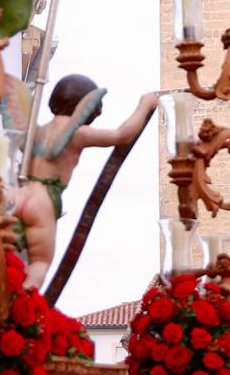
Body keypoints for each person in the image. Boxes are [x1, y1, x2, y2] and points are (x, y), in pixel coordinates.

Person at [11, 76, 157, 287]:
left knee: (10, 253)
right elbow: (122, 135)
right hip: (43, 200)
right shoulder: (76, 133)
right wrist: (145, 104)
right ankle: (23, 308)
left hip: (20, 193)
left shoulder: (38, 131)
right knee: (39, 262)